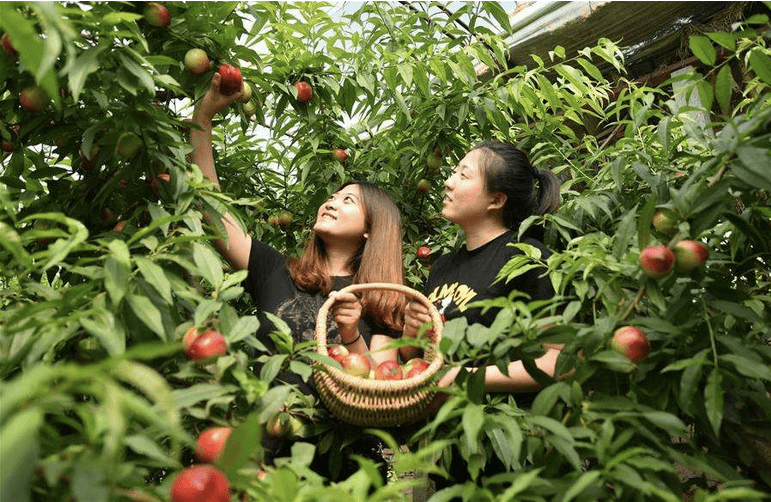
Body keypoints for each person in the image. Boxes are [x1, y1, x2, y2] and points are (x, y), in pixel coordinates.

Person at [190, 73, 406, 479]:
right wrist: (203, 118)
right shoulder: (276, 271)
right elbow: (210, 211)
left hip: (346, 473)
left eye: (348, 200)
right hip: (264, 463)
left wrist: (350, 334)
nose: (331, 201)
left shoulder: (380, 299)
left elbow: (380, 391)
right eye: (332, 195)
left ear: (369, 230)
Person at [401, 140, 563, 484]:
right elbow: (419, 357)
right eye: (453, 172)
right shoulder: (442, 267)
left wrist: (468, 376)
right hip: (451, 455)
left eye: (463, 174)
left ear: (496, 199)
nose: (448, 181)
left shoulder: (526, 258)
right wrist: (410, 332)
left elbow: (560, 362)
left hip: (509, 456)